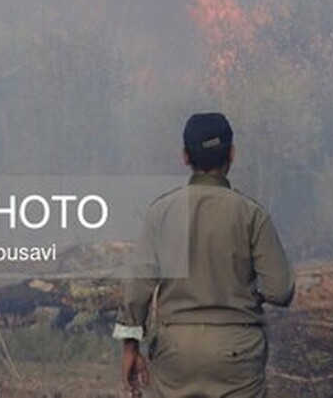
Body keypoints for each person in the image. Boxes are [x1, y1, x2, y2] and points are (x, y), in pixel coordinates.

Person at [114, 112, 295, 397]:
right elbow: (281, 290)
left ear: (185, 157)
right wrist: (247, 297)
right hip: (237, 348)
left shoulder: (161, 212)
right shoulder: (252, 215)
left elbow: (138, 288)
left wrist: (130, 347)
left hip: (175, 351)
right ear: (232, 154)